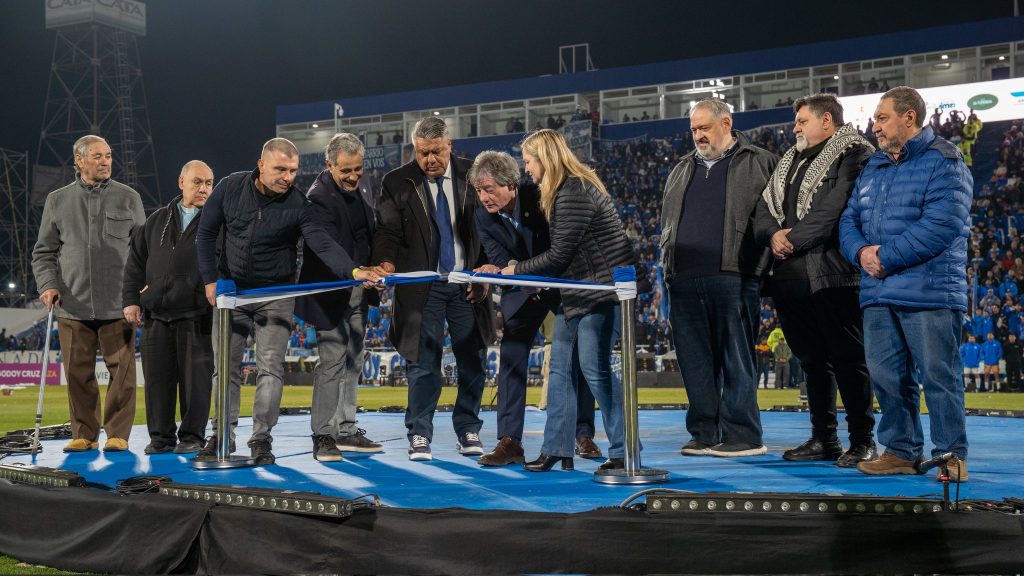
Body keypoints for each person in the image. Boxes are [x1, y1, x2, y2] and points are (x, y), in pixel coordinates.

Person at [195, 137, 380, 465]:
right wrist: (210, 279)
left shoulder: (299, 204)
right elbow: (206, 233)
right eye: (280, 169)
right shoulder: (229, 187)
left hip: (277, 295)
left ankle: (261, 439)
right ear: (261, 164)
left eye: (293, 171)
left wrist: (353, 270)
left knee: (270, 370)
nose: (288, 177)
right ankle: (221, 435)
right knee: (225, 369)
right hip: (232, 294)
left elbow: (322, 242)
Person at [839, 86, 973, 482]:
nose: (875, 127)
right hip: (878, 291)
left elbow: (941, 225)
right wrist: (860, 252)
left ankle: (950, 455)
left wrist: (882, 257)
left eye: (882, 118)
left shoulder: (945, 160)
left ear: (909, 117)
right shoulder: (874, 166)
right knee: (887, 377)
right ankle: (900, 450)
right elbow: (849, 219)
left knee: (939, 377)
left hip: (929, 290)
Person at [753, 93, 878, 467]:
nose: (795, 128)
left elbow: (835, 209)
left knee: (849, 359)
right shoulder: (789, 161)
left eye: (802, 121)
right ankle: (824, 438)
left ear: (826, 120)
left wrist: (790, 239)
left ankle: (863, 440)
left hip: (833, 273)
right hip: (789, 277)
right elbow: (763, 208)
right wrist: (772, 235)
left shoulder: (855, 153)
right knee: (812, 362)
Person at [501, 129, 636, 472]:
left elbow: (560, 254)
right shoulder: (566, 189)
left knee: (595, 369)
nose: (526, 169)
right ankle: (556, 448)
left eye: (528, 161)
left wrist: (518, 270)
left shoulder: (573, 190)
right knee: (560, 370)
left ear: (545, 158)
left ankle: (625, 450)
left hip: (597, 292)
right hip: (577, 293)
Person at [659, 98, 778, 458]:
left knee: (736, 357)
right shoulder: (681, 168)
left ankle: (743, 434)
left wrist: (763, 268)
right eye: (693, 129)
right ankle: (705, 432)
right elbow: (667, 223)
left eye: (704, 128)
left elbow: (775, 216)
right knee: (694, 360)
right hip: (683, 278)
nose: (698, 135)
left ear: (725, 124)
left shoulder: (759, 161)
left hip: (734, 274)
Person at [370, 117, 493, 461]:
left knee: (472, 359)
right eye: (422, 153)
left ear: (449, 145)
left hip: (466, 284)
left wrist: (486, 271)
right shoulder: (397, 181)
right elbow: (387, 233)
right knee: (423, 364)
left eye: (436, 152)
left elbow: (490, 226)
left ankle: (468, 428)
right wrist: (386, 263)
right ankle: (419, 434)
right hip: (422, 286)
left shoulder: (473, 174)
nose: (429, 160)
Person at [469, 151, 601, 466]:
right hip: (521, 290)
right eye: (479, 190)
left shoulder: (541, 197)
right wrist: (511, 271)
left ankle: (583, 434)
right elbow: (497, 255)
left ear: (511, 184)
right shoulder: (482, 215)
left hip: (560, 285)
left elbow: (560, 245)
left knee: (579, 357)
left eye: (489, 189)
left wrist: (527, 271)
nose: (484, 197)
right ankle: (510, 441)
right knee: (511, 358)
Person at [31, 135, 145, 453]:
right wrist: (48, 285)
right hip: (72, 304)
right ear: (79, 161)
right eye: (97, 156)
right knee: (77, 373)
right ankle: (84, 433)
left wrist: (139, 291)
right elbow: (43, 252)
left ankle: (118, 434)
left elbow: (143, 250)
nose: (105, 161)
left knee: (122, 373)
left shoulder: (129, 197)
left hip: (118, 304)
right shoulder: (57, 200)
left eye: (108, 155)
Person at [295, 133, 383, 462]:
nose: (353, 176)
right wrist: (355, 271)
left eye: (358, 169)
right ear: (329, 165)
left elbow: (367, 234)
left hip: (358, 290)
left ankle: (346, 429)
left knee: (354, 361)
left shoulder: (363, 186)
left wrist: (378, 266)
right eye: (346, 170)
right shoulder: (317, 197)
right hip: (332, 292)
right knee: (331, 363)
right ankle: (324, 435)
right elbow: (324, 245)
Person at [122, 160, 215, 455]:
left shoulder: (217, 221)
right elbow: (135, 262)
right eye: (197, 182)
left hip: (197, 315)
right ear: (181, 182)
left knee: (196, 383)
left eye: (209, 183)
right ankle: (161, 438)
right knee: (157, 383)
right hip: (156, 316)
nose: (203, 189)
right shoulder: (157, 220)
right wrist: (131, 299)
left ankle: (192, 437)